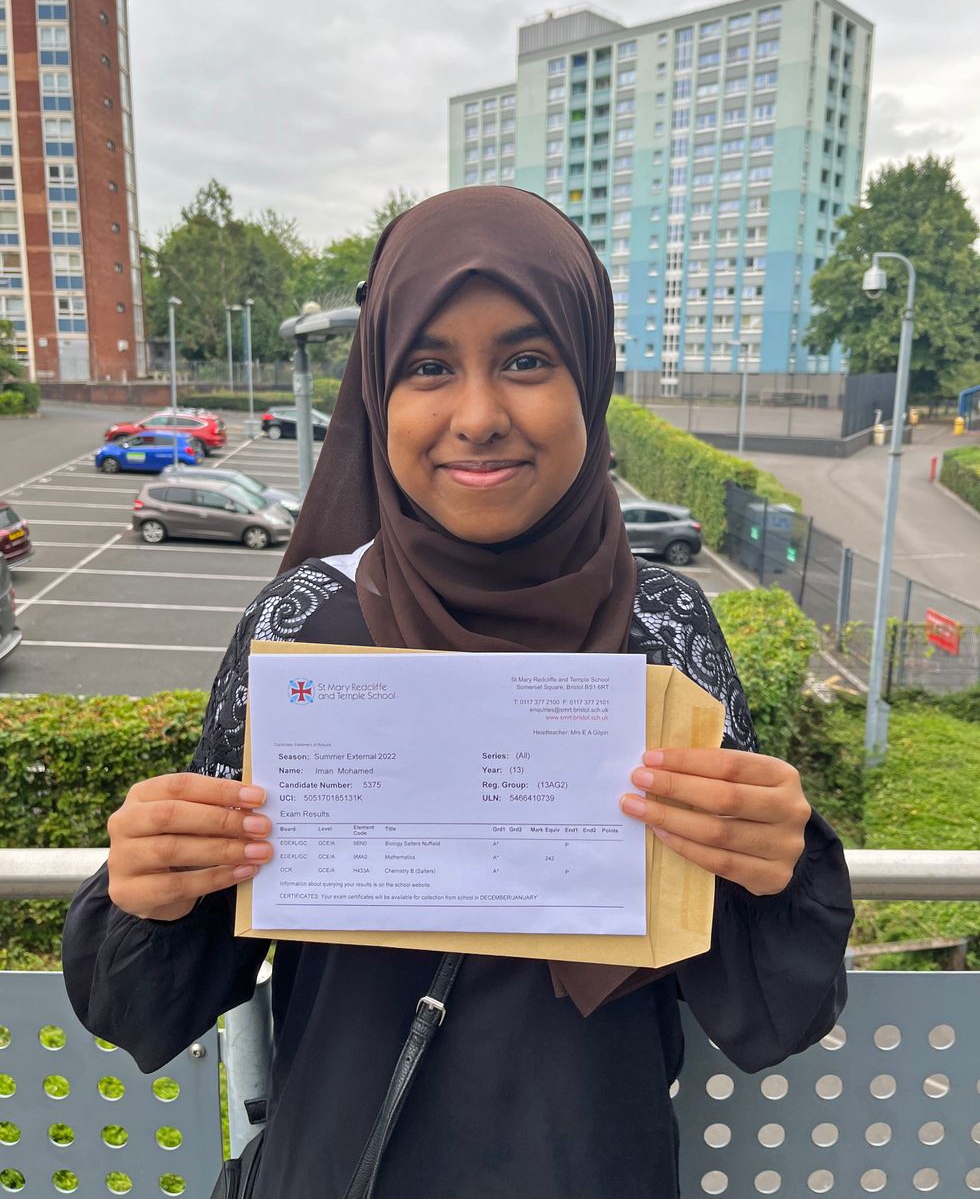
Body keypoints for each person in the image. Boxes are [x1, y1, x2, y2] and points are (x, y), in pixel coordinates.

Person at [63, 187, 853, 1199]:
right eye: (427, 366)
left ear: (590, 377)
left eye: (526, 360)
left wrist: (773, 867)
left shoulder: (661, 633)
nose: (477, 417)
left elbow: (771, 1008)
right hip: (342, 1169)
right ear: (376, 392)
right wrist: (152, 886)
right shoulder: (306, 624)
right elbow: (143, 1005)